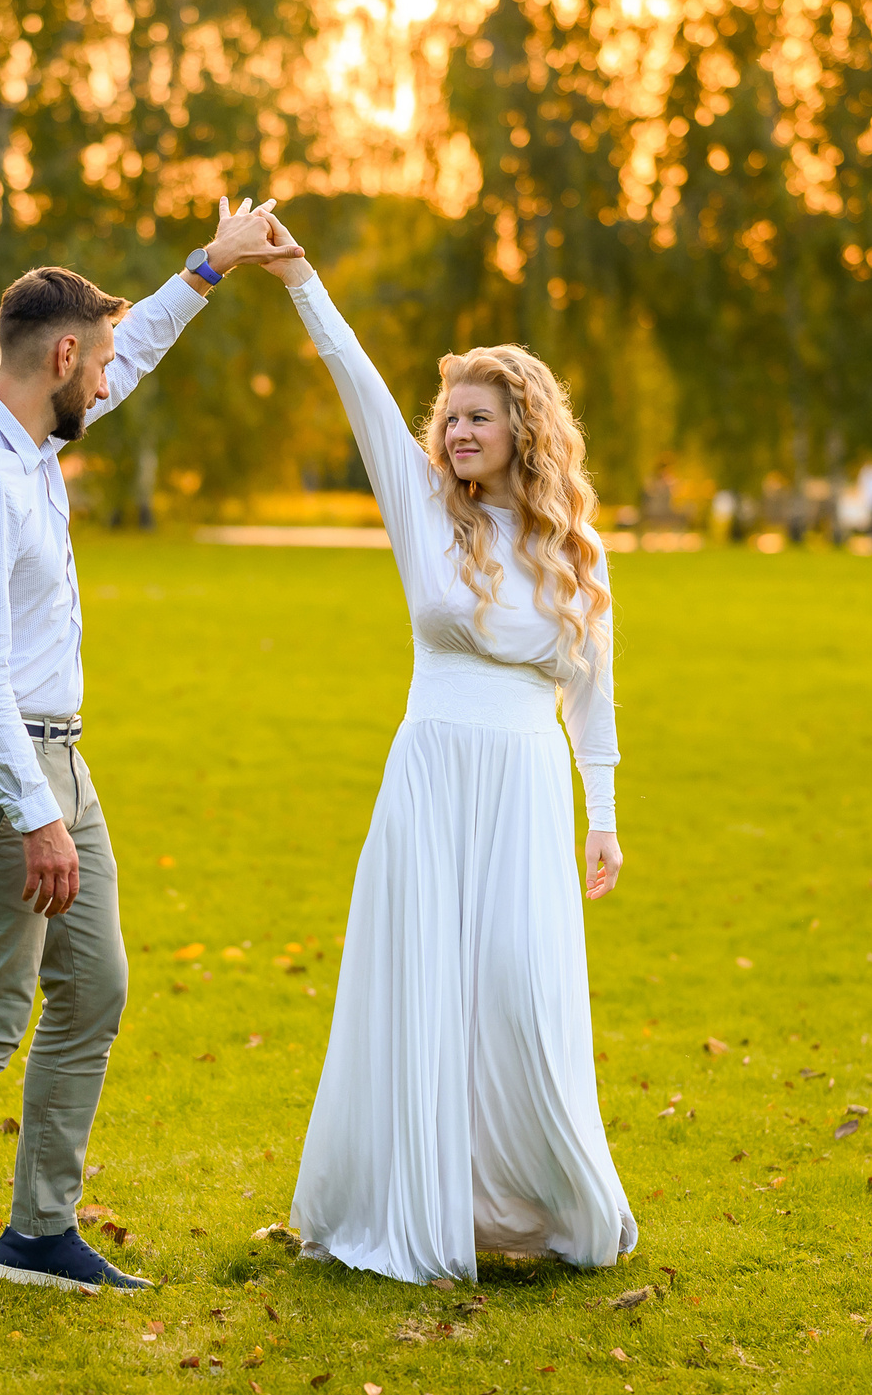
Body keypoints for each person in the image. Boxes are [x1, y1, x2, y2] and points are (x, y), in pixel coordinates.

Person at [0, 200, 302, 1316]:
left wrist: (209, 268)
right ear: (63, 358)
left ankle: (38, 1231)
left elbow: (136, 350)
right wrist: (35, 815)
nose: (112, 381)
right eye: (101, 362)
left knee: (95, 986)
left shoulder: (24, 435)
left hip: (59, 759)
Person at [260, 214, 637, 1285]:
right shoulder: (425, 509)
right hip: (432, 773)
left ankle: (538, 1201)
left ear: (524, 426)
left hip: (525, 782)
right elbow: (358, 385)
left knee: (518, 988)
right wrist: (300, 278)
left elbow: (593, 691)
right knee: (424, 988)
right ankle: (415, 1207)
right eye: (449, 418)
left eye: (478, 416)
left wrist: (602, 815)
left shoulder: (576, 549)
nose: (457, 431)